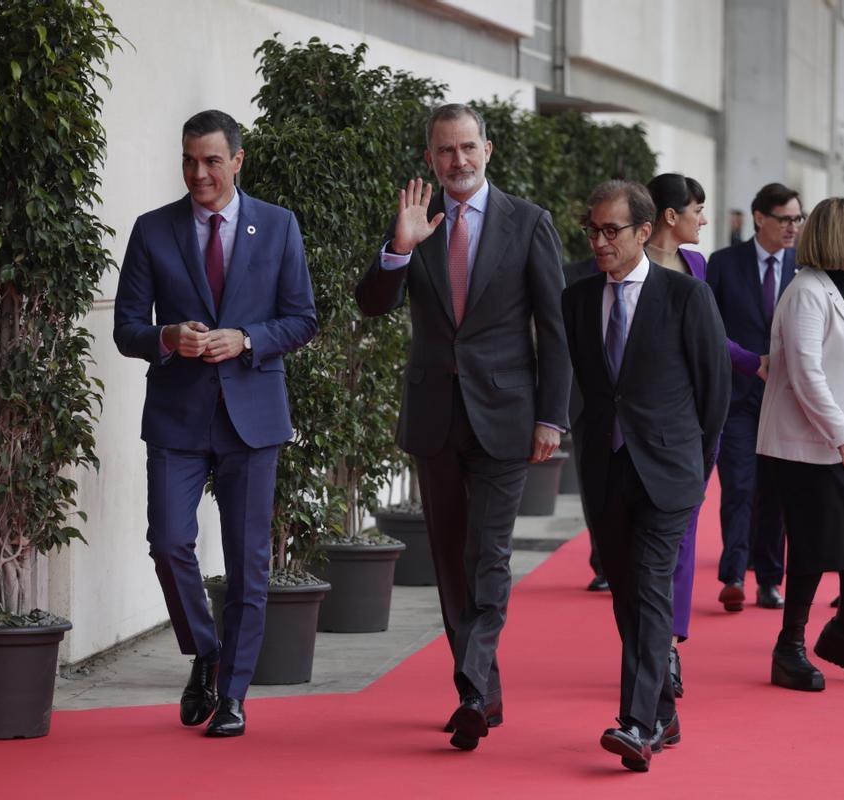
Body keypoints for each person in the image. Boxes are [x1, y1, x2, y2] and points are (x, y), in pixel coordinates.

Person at [356, 103, 570, 751]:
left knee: (490, 553)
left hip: (506, 415)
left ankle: (474, 686)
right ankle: (480, 689)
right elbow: (371, 304)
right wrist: (399, 249)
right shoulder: (416, 223)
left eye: (469, 147)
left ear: (489, 150)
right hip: (435, 416)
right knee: (450, 558)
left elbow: (555, 331)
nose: (459, 160)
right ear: (431, 159)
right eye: (446, 151)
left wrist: (552, 417)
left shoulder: (528, 222)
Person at [113, 110, 318, 737]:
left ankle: (233, 695)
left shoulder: (279, 226)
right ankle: (206, 650)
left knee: (248, 561)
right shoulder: (153, 230)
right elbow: (126, 329)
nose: (198, 173)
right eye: (188, 160)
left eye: (210, 160)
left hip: (252, 418)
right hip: (177, 417)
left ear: (237, 160)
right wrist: (169, 336)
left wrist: (248, 339)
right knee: (169, 542)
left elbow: (303, 319)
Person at [562, 180, 729, 771]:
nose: (600, 242)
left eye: (612, 231)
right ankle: (662, 710)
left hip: (670, 472)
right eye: (593, 231)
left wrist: (697, 466)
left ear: (642, 231)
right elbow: (588, 388)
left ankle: (637, 722)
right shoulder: (577, 298)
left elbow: (715, 394)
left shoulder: (686, 297)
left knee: (652, 586)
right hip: (606, 470)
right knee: (628, 595)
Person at [756, 197, 844, 692]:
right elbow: (806, 374)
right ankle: (789, 648)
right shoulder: (806, 292)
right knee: (814, 545)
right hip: (809, 446)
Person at [706, 183, 802, 611]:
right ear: (760, 217)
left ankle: (769, 579)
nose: (793, 227)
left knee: (776, 491)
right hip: (738, 398)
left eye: (798, 219)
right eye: (785, 219)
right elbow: (711, 328)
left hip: (786, 399)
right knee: (739, 487)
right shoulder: (724, 264)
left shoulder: (805, 266)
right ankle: (732, 575)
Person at [643, 172, 713, 698]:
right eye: (696, 210)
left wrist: (751, 362)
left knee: (684, 532)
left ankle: (668, 645)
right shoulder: (626, 263)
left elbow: (710, 340)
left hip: (687, 422)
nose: (702, 220)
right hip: (635, 423)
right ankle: (645, 642)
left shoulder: (698, 266)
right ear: (671, 216)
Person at [563, 255, 609, 594]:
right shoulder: (570, 276)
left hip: (634, 398)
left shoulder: (651, 271)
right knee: (593, 484)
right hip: (584, 399)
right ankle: (604, 563)